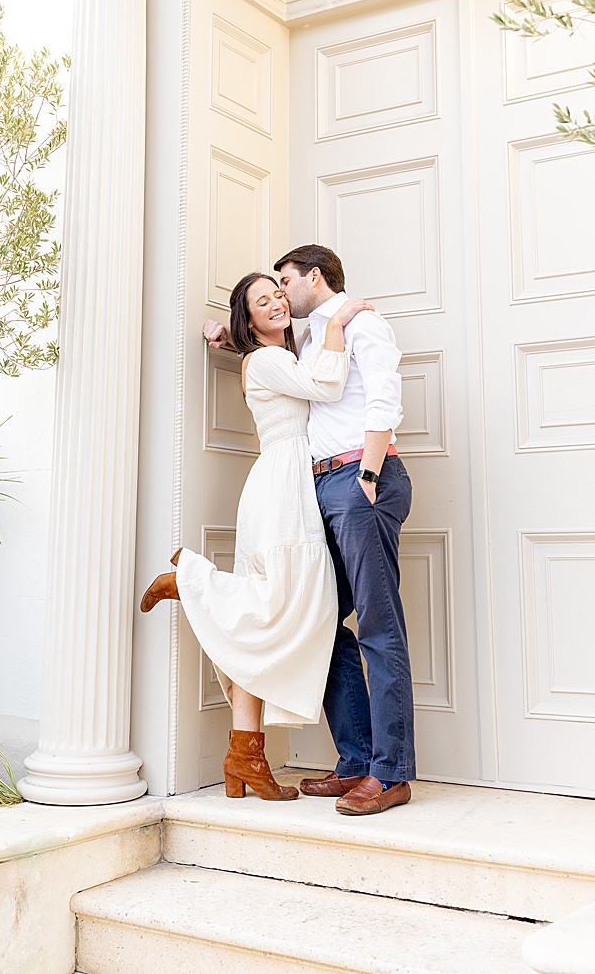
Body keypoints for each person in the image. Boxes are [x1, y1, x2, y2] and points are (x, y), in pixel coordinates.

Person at [140, 272, 374, 803]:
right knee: (281, 606)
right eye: (261, 302)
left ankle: (245, 753)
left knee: (270, 613)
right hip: (284, 489)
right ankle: (193, 581)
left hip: (284, 484)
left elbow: (289, 366)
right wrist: (337, 320)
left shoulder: (277, 355)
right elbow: (325, 385)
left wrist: (225, 339)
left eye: (278, 295)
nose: (275, 303)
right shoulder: (270, 360)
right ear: (248, 319)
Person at [203, 245, 415, 817]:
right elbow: (275, 365)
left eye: (282, 284)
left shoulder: (360, 322)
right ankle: (355, 761)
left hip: (358, 477)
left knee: (376, 625)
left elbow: (383, 398)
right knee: (320, 624)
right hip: (317, 488)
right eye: (266, 294)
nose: (278, 295)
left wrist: (369, 472)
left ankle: (390, 775)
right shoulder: (308, 336)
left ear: (310, 279)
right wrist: (222, 332)